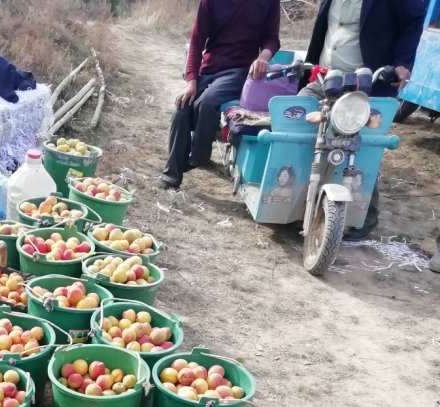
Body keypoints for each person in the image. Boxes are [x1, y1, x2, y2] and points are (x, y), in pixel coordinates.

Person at [301, 0, 427, 234]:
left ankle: (363, 216)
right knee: (299, 124)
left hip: (364, 85)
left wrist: (402, 63)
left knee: (362, 146)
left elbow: (414, 19)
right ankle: (298, 202)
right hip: (324, 78)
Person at [160, 0, 281, 190]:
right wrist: (191, 82)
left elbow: (272, 38)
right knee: (182, 108)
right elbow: (197, 41)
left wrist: (262, 58)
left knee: (207, 102)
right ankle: (171, 176)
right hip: (208, 70)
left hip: (240, 71)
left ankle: (198, 157)